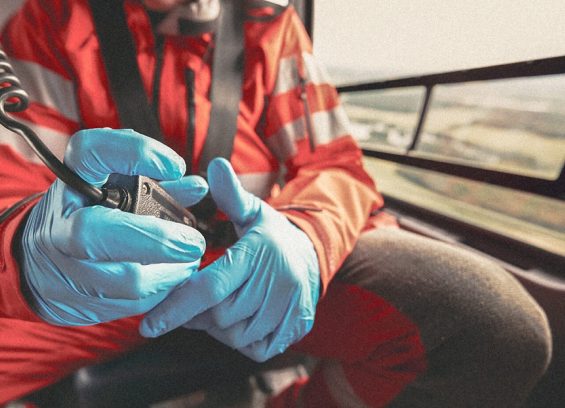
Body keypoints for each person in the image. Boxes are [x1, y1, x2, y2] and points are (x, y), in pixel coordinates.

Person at [0, 0, 552, 406]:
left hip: (261, 264)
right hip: (98, 281)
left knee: (489, 326)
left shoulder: (270, 25)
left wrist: (306, 241)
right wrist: (25, 248)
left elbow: (333, 162)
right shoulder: (52, 21)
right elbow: (14, 175)